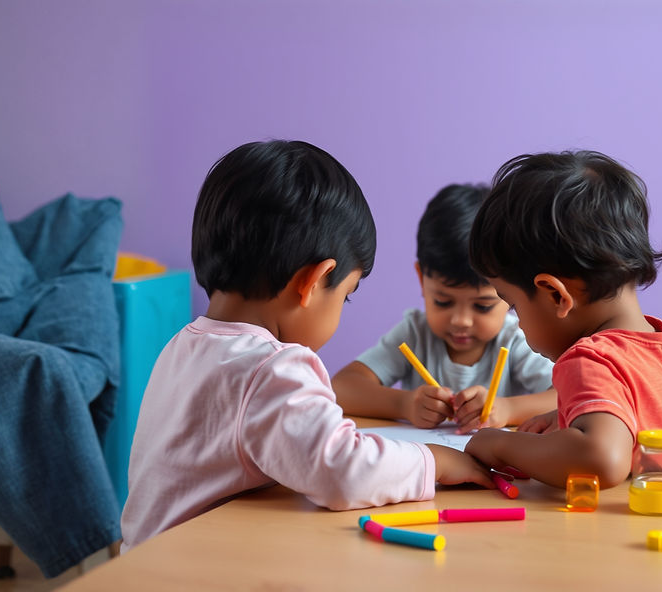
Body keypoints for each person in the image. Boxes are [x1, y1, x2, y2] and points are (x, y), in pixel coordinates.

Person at [120, 141, 492, 551]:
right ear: (313, 283)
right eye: (346, 294)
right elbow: (341, 470)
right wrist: (435, 460)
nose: (342, 307)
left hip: (144, 558)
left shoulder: (181, 346)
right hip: (197, 571)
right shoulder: (273, 368)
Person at [463, 150, 662, 488]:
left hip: (624, 537)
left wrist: (501, 444)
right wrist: (569, 417)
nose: (516, 321)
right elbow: (638, 422)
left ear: (555, 295)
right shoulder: (654, 341)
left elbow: (602, 458)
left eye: (513, 304)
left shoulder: (587, 359)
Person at [332, 183, 555, 434]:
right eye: (443, 302)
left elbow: (566, 396)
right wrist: (404, 404)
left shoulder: (514, 340)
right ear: (421, 279)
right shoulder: (415, 333)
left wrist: (506, 410)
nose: (461, 320)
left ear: (510, 291)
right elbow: (342, 387)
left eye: (482, 306)